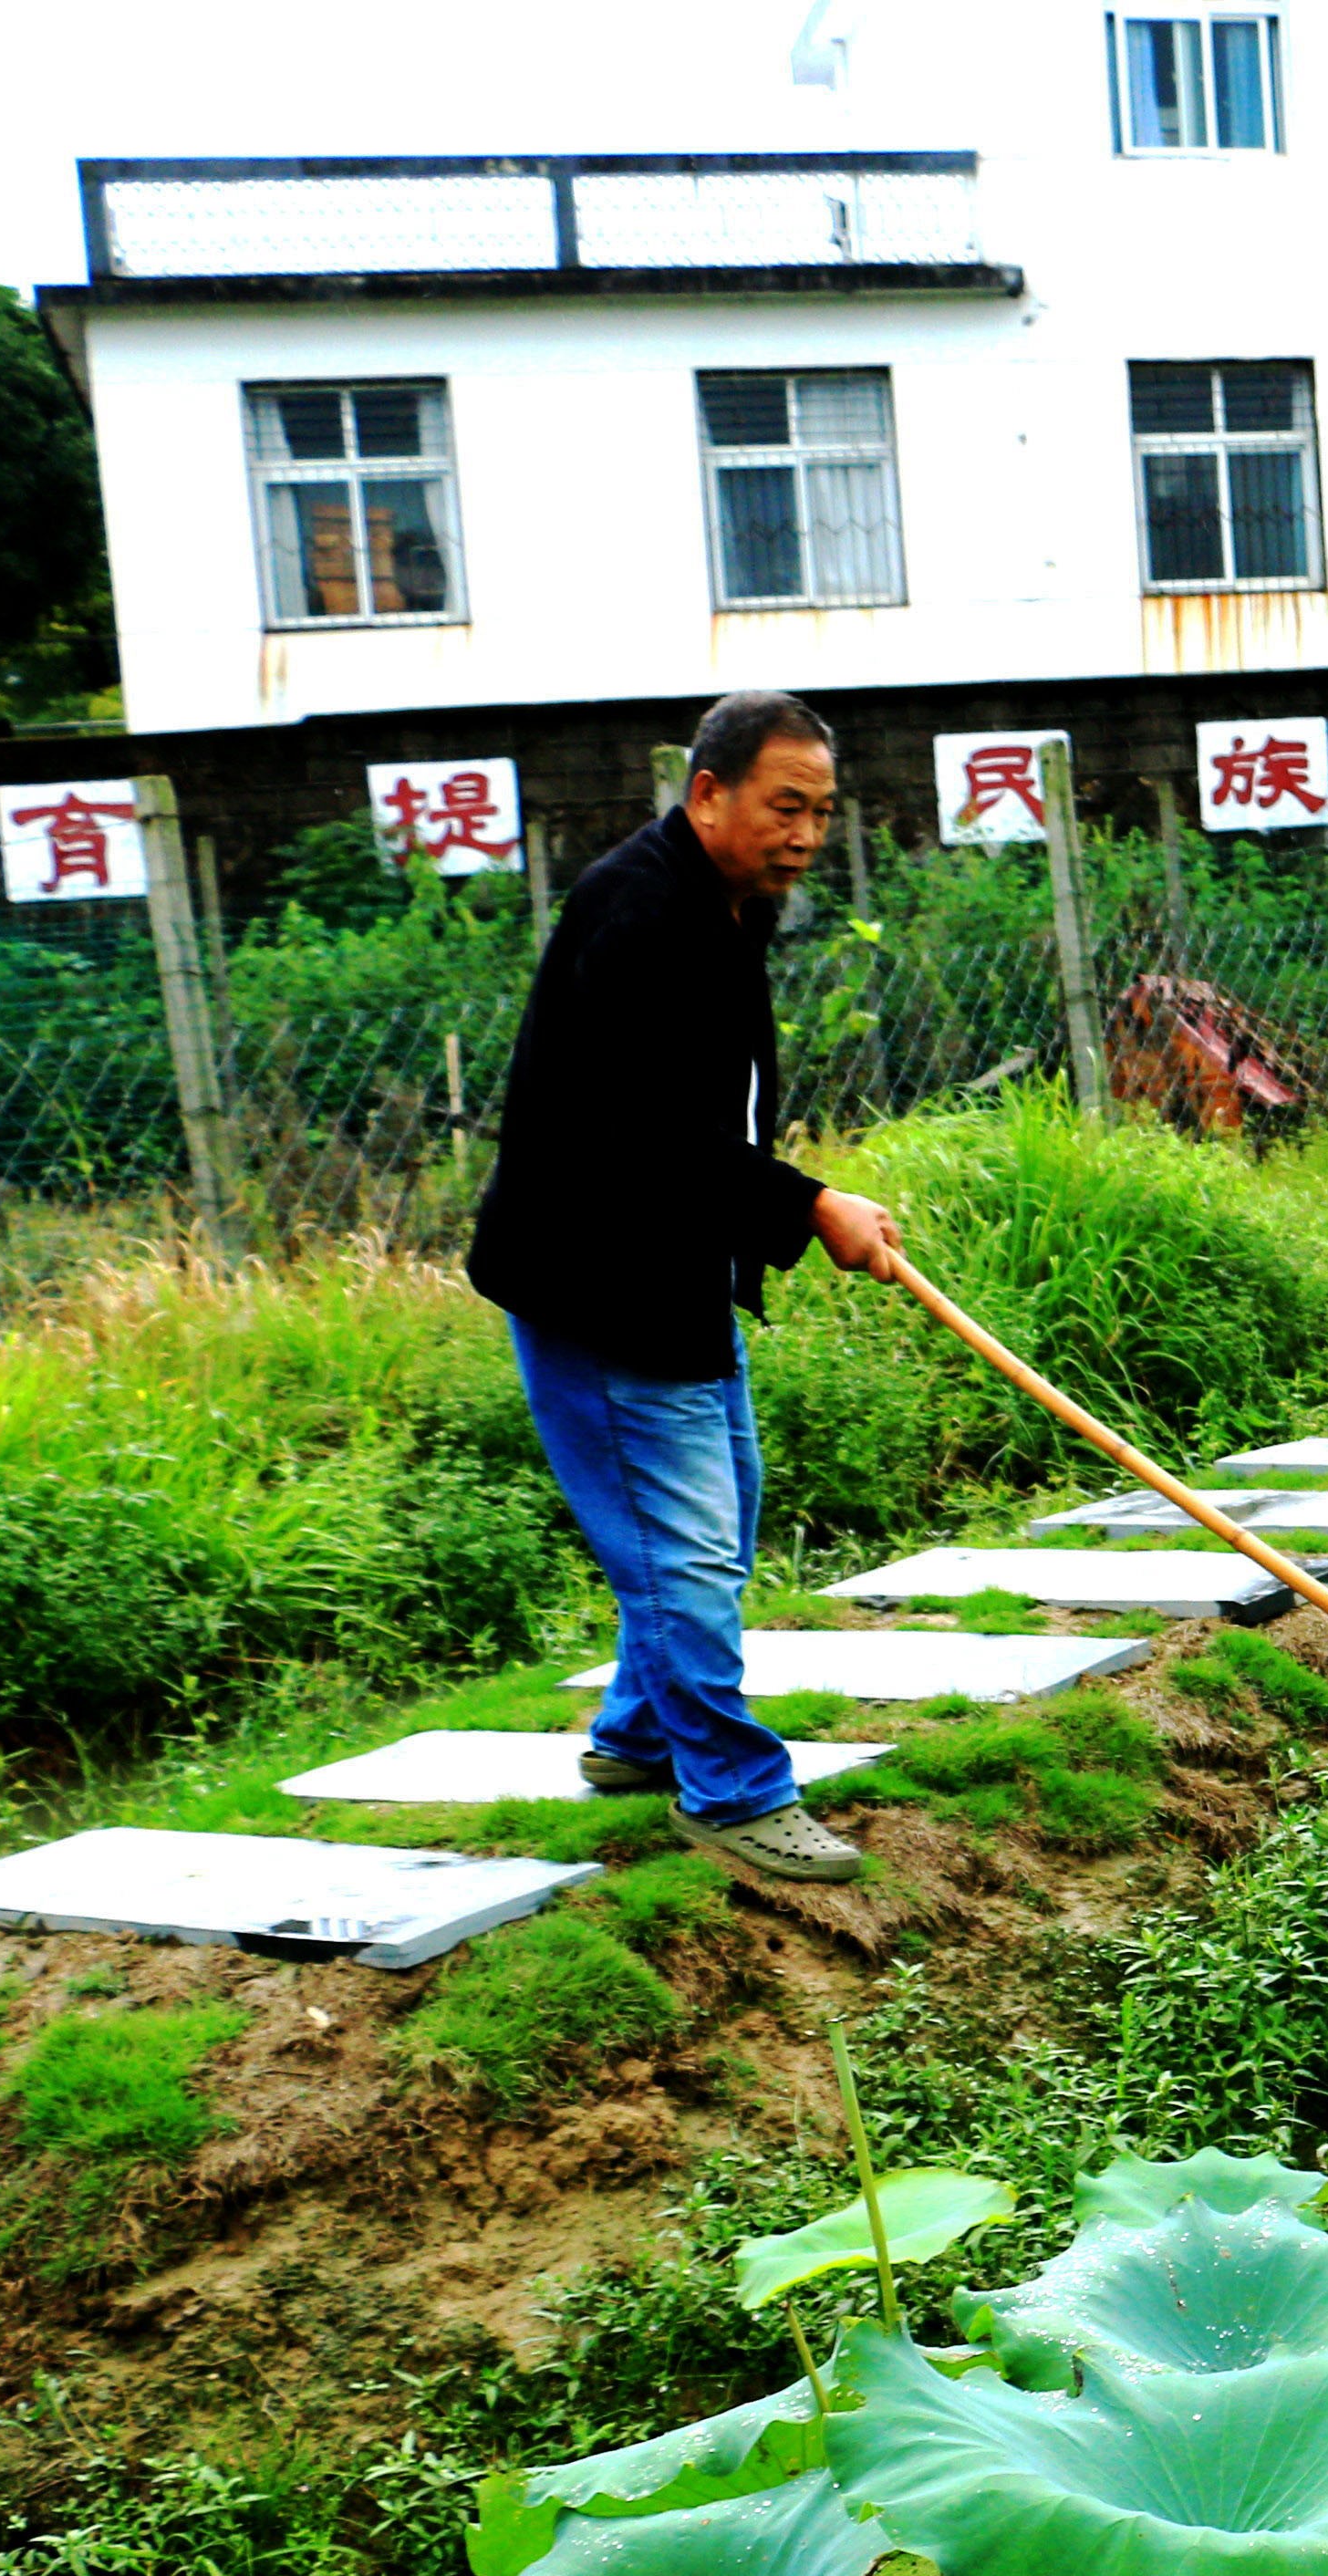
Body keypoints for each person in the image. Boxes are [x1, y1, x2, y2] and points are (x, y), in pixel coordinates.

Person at [469, 690, 902, 1886]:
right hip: (599, 1278)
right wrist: (810, 1206)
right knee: (685, 1546)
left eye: (822, 811)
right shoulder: (643, 914)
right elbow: (652, 1138)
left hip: (672, 1269)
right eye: (784, 807)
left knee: (719, 1513)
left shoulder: (723, 901)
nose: (807, 834)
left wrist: (783, 1206)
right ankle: (732, 1791)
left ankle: (636, 1734)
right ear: (707, 793)